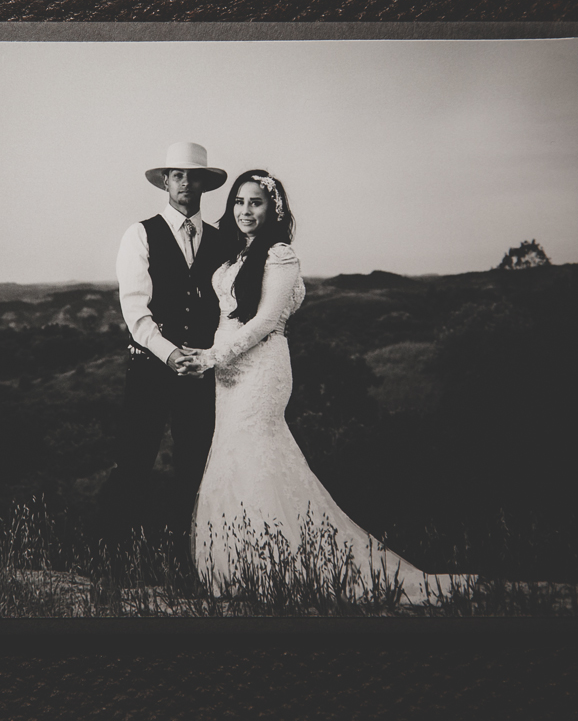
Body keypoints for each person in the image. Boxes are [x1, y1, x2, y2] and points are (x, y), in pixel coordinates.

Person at [181, 170, 458, 603]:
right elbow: (226, 317)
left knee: (259, 456)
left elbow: (266, 321)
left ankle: (279, 566)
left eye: (255, 202)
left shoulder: (280, 255)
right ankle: (239, 568)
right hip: (228, 376)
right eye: (238, 202)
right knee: (232, 455)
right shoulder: (236, 255)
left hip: (261, 371)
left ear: (272, 207)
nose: (245, 211)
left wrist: (211, 357)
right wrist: (204, 356)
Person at [99, 142, 232, 548]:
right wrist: (171, 354)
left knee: (194, 466)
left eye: (194, 176)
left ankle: (184, 559)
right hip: (151, 368)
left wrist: (205, 358)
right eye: (178, 175)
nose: (186, 183)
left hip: (202, 371)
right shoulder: (141, 233)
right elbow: (135, 312)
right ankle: (109, 559)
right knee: (135, 462)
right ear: (166, 183)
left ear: (205, 185)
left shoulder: (221, 240)